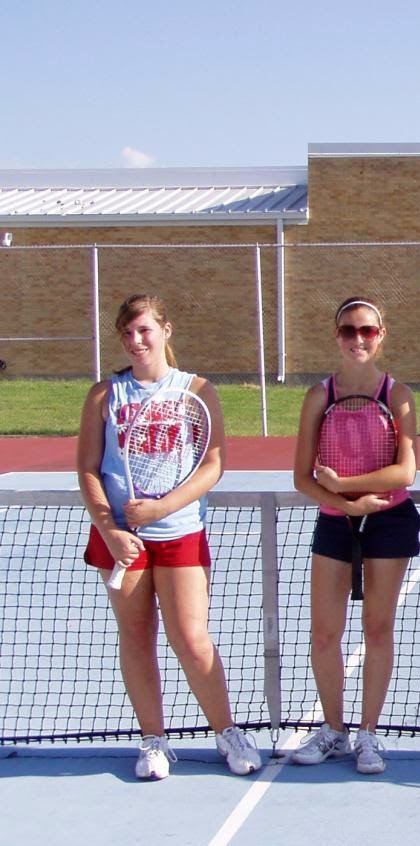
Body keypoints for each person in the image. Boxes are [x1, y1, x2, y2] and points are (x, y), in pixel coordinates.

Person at [77, 294, 262, 780]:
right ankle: (153, 742)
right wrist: (110, 528)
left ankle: (226, 731)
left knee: (191, 637)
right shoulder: (105, 395)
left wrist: (161, 507)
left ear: (165, 330)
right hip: (121, 540)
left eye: (144, 330)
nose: (136, 341)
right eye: (127, 333)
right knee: (136, 638)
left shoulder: (195, 390)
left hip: (179, 532)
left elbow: (213, 465)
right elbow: (89, 469)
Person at [291, 297, 420, 775]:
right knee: (325, 633)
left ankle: (368, 733)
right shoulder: (318, 397)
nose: (358, 339)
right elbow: (303, 477)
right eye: (349, 331)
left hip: (389, 522)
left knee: (377, 628)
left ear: (381, 334)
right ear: (337, 336)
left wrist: (346, 486)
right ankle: (334, 730)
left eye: (367, 331)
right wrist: (345, 505)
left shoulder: (399, 395)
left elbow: (406, 470)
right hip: (334, 522)